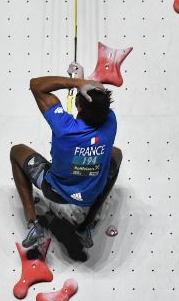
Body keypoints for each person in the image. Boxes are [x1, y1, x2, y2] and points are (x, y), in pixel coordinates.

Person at [10, 62, 122, 248]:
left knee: (17, 151)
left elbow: (36, 85)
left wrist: (77, 83)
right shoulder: (110, 121)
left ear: (77, 106)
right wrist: (82, 80)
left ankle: (32, 224)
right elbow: (97, 105)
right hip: (90, 195)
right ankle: (88, 224)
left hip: (54, 192)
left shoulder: (63, 126)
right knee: (116, 154)